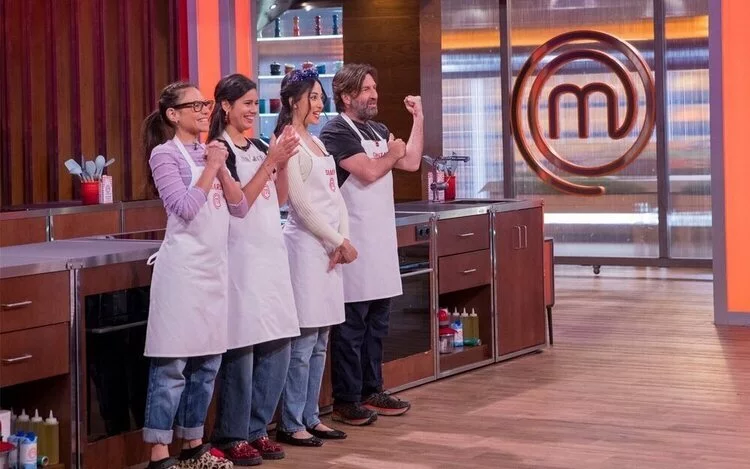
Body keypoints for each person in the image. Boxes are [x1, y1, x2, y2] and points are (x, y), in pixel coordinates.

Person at [142, 81, 248, 469]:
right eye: (197, 105)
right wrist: (212, 167)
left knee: (207, 364)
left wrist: (219, 166)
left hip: (213, 271)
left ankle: (193, 445)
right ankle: (159, 452)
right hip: (182, 273)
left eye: (206, 104)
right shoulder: (163, 155)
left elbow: (239, 207)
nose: (206, 110)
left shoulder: (210, 151)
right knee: (172, 366)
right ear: (173, 114)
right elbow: (184, 207)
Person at [319, 64, 423, 425]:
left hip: (380, 242)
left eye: (374, 87)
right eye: (366, 89)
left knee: (377, 324)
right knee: (352, 328)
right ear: (347, 96)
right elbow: (368, 171)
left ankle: (372, 390)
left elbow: (411, 161)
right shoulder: (335, 132)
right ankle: (346, 399)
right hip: (353, 242)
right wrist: (392, 153)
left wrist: (418, 118)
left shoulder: (378, 129)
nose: (374, 94)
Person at [207, 74, 301, 465]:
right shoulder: (218, 150)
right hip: (239, 260)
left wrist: (283, 163)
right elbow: (239, 205)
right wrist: (271, 162)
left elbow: (278, 199)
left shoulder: (261, 145)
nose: (252, 109)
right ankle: (232, 434)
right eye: (246, 102)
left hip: (271, 257)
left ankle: (258, 428)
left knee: (279, 344)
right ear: (226, 105)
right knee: (241, 350)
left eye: (254, 102)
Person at [277, 69, 355, 445]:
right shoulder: (288, 142)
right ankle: (292, 422)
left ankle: (312, 416)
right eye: (313, 97)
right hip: (306, 248)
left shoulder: (319, 143)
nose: (320, 104)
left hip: (329, 249)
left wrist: (343, 239)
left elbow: (335, 196)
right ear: (294, 101)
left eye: (322, 97)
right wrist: (338, 240)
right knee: (305, 340)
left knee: (322, 338)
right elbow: (301, 205)